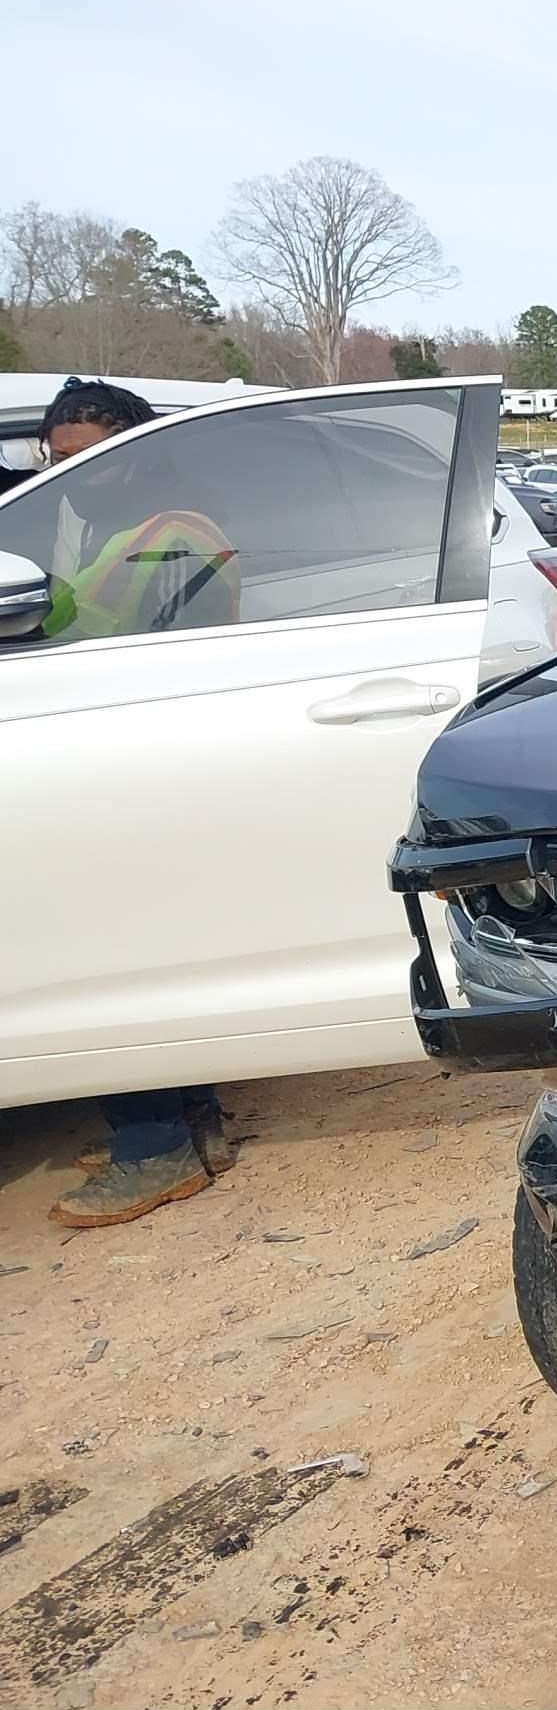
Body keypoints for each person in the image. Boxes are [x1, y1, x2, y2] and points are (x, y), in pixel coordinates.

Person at [34, 379, 238, 1228]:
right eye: (56, 461)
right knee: (152, 941)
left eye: (91, 459)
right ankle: (194, 1128)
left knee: (106, 949)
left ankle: (152, 1145)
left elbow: (71, 629)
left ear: (136, 454)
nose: (73, 475)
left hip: (136, 761)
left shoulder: (167, 534)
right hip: (147, 754)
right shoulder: (143, 528)